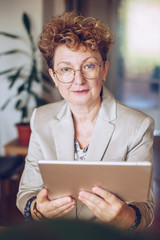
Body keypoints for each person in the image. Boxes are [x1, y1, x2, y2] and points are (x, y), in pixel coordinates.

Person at [16, 11, 154, 232]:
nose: (78, 79)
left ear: (104, 69)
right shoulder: (41, 119)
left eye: (88, 66)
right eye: (66, 69)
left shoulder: (138, 126)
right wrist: (37, 210)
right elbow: (26, 193)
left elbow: (145, 209)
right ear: (54, 76)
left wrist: (125, 217)